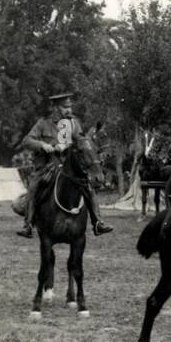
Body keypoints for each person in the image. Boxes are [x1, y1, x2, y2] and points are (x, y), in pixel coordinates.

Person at [16, 91, 113, 237]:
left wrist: (67, 144)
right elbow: (27, 141)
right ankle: (28, 225)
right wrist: (43, 145)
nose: (69, 110)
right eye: (64, 107)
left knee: (87, 186)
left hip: (68, 166)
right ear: (56, 108)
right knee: (33, 187)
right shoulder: (43, 123)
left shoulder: (73, 123)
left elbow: (81, 140)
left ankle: (98, 223)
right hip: (47, 165)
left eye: (70, 107)